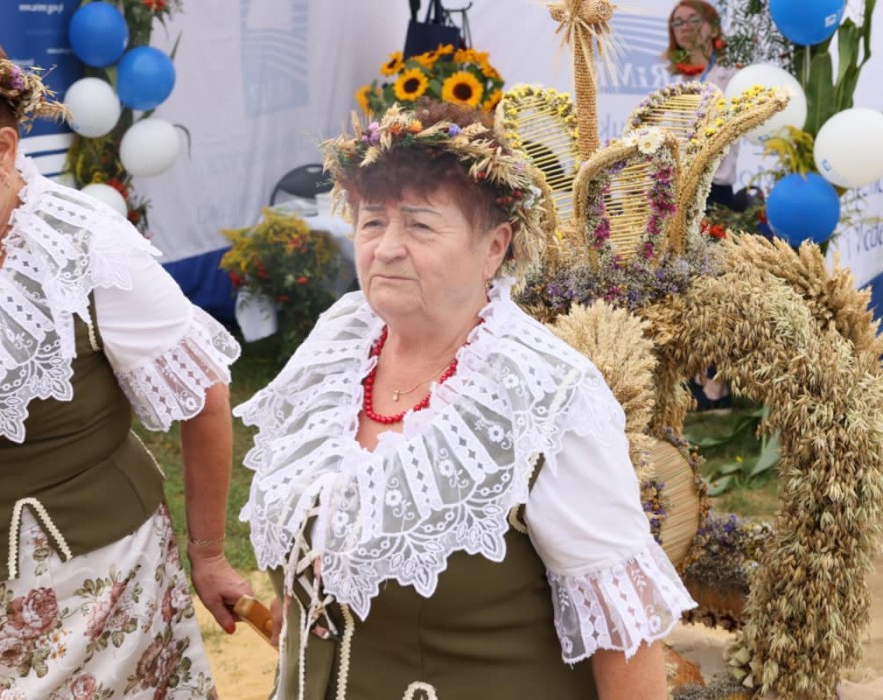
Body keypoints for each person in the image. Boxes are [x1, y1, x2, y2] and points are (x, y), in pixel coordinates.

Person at [0, 20, 251, 699]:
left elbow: (203, 396)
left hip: (82, 596)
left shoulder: (87, 252)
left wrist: (208, 556)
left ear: (2, 148)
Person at [235, 101, 696, 699]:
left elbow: (625, 634)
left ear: (495, 247)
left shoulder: (546, 394)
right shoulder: (338, 343)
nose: (387, 247)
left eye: (420, 225)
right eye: (372, 222)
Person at [664, 0, 738, 210]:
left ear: (713, 29)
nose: (685, 27)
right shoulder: (679, 81)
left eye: (693, 20)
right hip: (678, 191)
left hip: (715, 192)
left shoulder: (731, 76)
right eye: (678, 22)